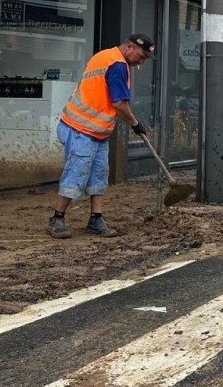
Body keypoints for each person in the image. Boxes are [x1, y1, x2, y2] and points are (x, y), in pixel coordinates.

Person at [47, 34, 155, 239]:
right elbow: (119, 104)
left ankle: (96, 219)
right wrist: (135, 124)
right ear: (130, 46)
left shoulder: (108, 57)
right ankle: (57, 218)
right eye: (141, 56)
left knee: (98, 174)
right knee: (77, 172)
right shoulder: (117, 65)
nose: (141, 62)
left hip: (96, 132)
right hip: (81, 129)